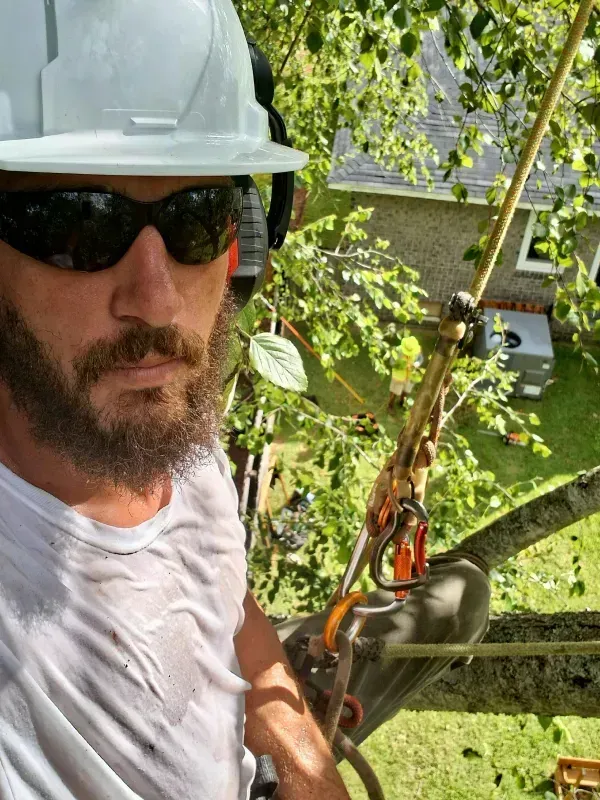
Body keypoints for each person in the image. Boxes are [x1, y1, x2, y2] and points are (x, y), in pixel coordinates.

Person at [0, 2, 489, 798]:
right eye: (78, 226)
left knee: (466, 594)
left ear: (243, 246)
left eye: (197, 219)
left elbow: (223, 594)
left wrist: (295, 743)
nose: (157, 304)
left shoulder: (165, 423)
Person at [388, 336, 424, 411]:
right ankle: (390, 406)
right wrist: (402, 365)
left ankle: (401, 403)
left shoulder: (417, 350)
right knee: (394, 392)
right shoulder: (397, 350)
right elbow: (391, 362)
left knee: (406, 390)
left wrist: (417, 364)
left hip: (410, 376)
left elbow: (420, 358)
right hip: (398, 377)